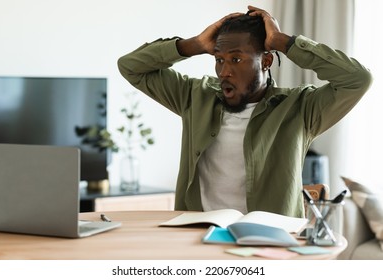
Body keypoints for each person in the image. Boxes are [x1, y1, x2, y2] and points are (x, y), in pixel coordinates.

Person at [117, 5, 372, 217]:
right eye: (219, 59)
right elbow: (130, 67)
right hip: (196, 236)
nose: (224, 71)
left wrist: (284, 42)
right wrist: (192, 45)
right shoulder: (194, 97)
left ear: (267, 61)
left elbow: (357, 79)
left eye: (236, 59)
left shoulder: (300, 109)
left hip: (267, 243)